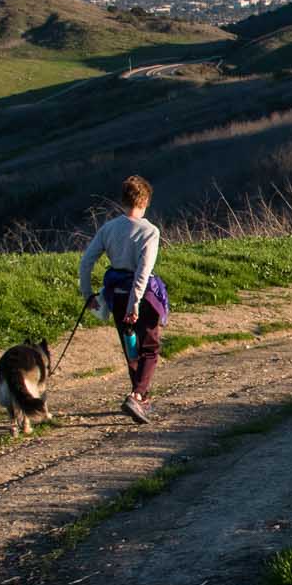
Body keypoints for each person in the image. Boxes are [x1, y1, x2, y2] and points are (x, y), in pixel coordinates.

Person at [78, 174, 169, 424]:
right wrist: (135, 304)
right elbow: (143, 271)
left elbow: (86, 262)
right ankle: (138, 395)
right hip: (142, 298)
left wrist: (88, 295)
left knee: (131, 348)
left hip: (116, 294)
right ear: (146, 201)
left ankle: (140, 398)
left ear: (122, 200)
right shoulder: (150, 232)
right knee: (149, 348)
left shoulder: (108, 229)